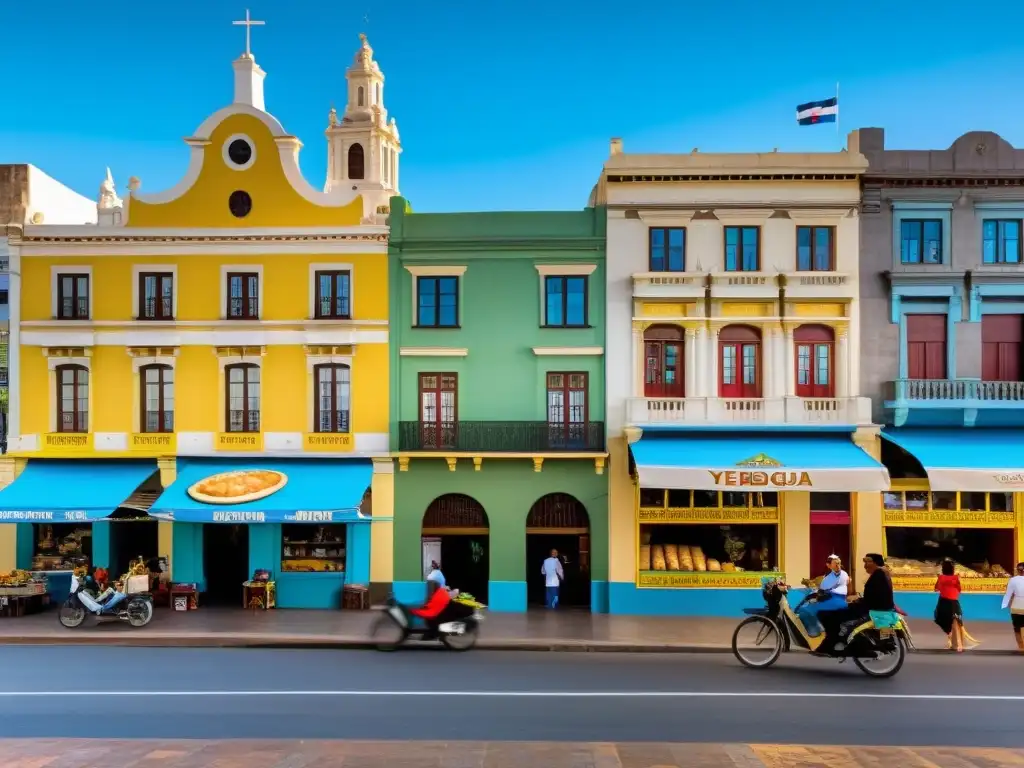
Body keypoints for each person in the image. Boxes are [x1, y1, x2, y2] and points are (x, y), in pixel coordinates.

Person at [832, 553, 895, 646]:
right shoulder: (882, 572)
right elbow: (875, 593)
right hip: (877, 607)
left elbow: (875, 596)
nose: (865, 566)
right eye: (865, 562)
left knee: (843, 618)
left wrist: (858, 600)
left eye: (868, 562)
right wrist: (859, 599)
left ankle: (841, 643)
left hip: (873, 609)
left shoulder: (879, 573)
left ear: (876, 562)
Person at [797, 555, 849, 638]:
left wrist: (817, 598)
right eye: (835, 563)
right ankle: (819, 628)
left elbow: (826, 590)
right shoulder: (832, 574)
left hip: (834, 600)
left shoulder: (838, 574)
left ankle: (815, 631)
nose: (837, 565)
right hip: (831, 598)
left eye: (838, 563)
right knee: (806, 605)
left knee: (805, 610)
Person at [934, 559, 964, 652]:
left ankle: (952, 641)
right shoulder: (956, 578)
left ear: (943, 569)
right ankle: (958, 645)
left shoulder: (941, 578)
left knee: (946, 622)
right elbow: (959, 590)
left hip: (943, 604)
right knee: (956, 624)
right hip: (954, 603)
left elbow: (936, 589)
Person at [1001, 561, 1024, 652]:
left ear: (1017, 570)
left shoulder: (1013, 580)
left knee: (1017, 628)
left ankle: (1021, 647)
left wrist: (1004, 604)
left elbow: (1008, 594)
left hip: (1016, 606)